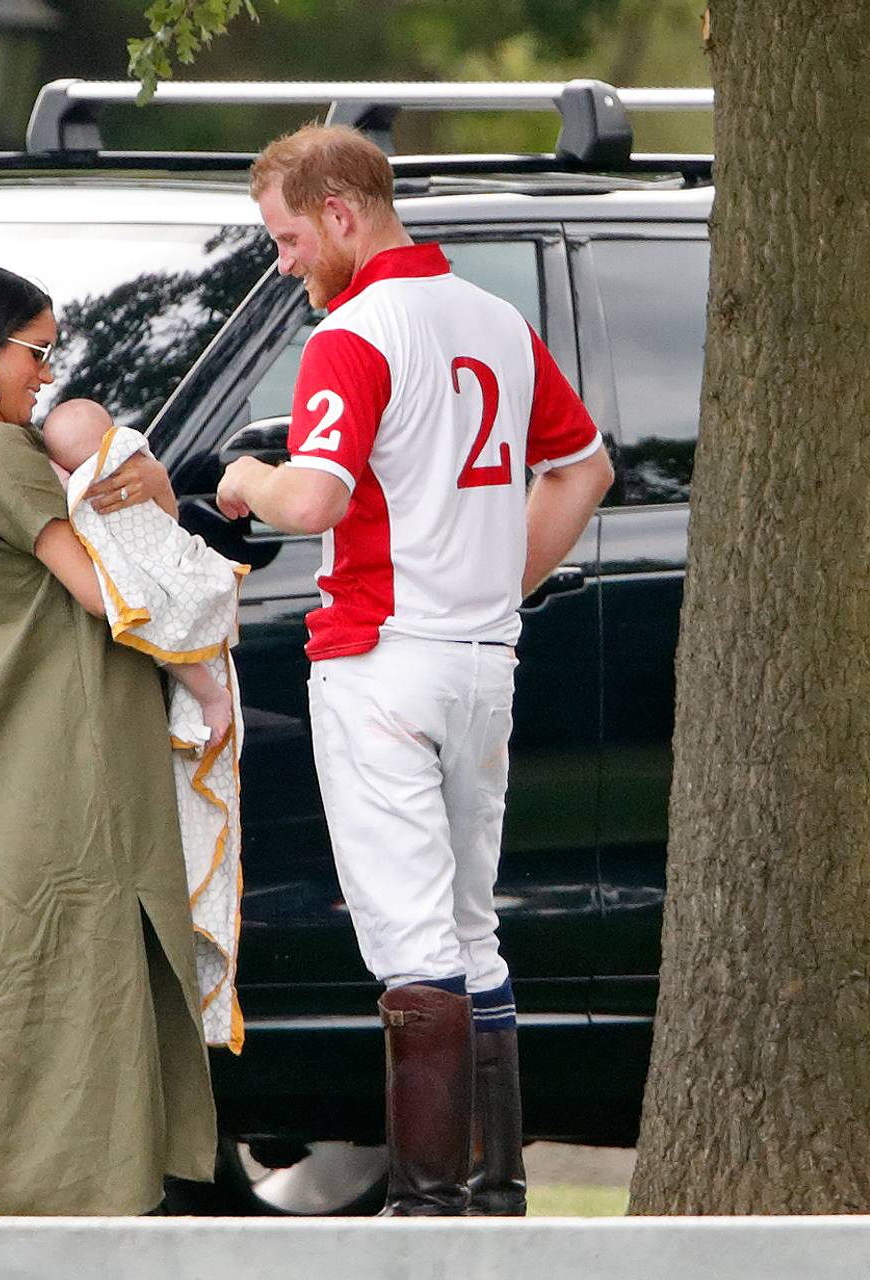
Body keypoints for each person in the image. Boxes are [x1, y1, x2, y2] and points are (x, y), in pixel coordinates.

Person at [216, 126, 614, 1217]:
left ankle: (430, 1200)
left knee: (408, 936)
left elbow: (316, 499)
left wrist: (247, 476)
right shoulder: (494, 318)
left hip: (380, 658)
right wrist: (500, 576)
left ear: (340, 213)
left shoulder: (353, 334)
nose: (285, 261)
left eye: (289, 237)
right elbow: (584, 468)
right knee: (470, 923)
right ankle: (490, 1189)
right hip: (481, 656)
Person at [0, 264, 216, 1216]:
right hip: (51, 778)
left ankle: (35, 1220)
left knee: (23, 1009)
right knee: (78, 1006)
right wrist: (153, 504)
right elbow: (114, 592)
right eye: (36, 351)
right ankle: (73, 1228)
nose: (46, 375)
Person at [43, 395, 247, 1053]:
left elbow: (141, 574)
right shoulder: (79, 496)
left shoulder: (114, 482)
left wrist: (157, 489)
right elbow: (131, 595)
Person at [43, 397, 235, 751]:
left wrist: (158, 481)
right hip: (167, 576)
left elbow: (165, 524)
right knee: (169, 634)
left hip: (166, 573)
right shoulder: (128, 462)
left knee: (167, 633)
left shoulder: (123, 471)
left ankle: (211, 697)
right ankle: (208, 698)